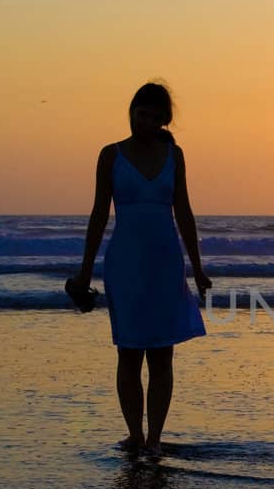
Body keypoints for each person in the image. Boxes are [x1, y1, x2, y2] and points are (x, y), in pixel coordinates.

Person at [70, 81, 211, 459]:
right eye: (140, 114)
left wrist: (198, 269)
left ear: (165, 119)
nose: (145, 122)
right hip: (126, 263)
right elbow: (99, 215)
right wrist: (84, 272)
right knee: (129, 352)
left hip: (165, 262)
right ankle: (134, 434)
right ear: (131, 112)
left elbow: (184, 211)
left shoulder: (174, 155)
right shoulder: (110, 155)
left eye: (154, 116)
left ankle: (155, 438)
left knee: (162, 354)